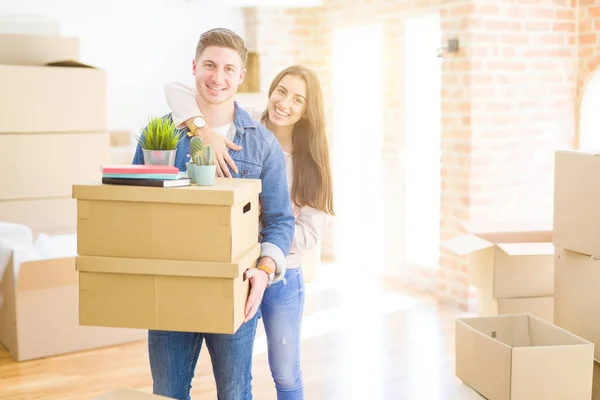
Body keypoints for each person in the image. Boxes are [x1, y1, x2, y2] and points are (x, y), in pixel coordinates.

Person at [132, 28, 295, 400]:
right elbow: (136, 205)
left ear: (241, 76)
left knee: (235, 393)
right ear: (194, 67)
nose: (217, 78)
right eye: (209, 65)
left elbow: (281, 219)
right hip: (170, 287)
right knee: (167, 393)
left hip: (233, 290)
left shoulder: (261, 142)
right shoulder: (159, 133)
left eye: (228, 69)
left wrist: (265, 269)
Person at [164, 64, 335, 399]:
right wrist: (204, 130)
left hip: (283, 276)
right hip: (238, 270)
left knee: (285, 374)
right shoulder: (247, 125)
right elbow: (175, 89)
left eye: (297, 100)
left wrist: (263, 241)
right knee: (236, 374)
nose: (284, 103)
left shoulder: (310, 161)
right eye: (281, 91)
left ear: (306, 111)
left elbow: (310, 233)